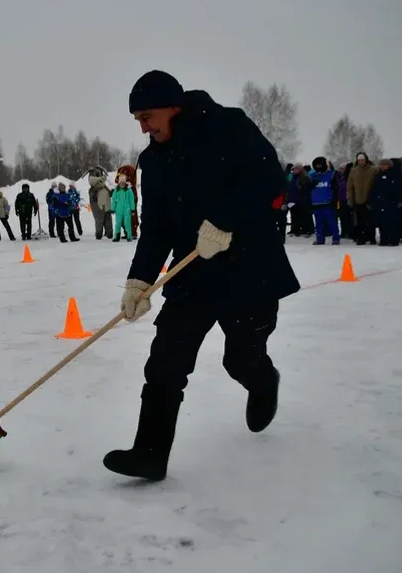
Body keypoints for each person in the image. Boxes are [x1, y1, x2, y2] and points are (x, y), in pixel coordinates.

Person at [103, 70, 300, 481]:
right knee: (165, 362)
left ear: (174, 106)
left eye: (147, 116)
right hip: (192, 272)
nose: (143, 127)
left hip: (249, 270)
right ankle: (150, 454)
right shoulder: (153, 159)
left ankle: (263, 381)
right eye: (137, 119)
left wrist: (224, 221)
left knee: (240, 359)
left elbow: (269, 179)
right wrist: (139, 281)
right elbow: (155, 227)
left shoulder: (227, 126)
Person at [87, 167, 114, 240]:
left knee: (108, 219)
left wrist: (111, 192)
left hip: (106, 205)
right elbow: (92, 196)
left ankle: (109, 233)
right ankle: (99, 234)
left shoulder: (104, 186)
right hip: (97, 207)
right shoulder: (93, 188)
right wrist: (95, 196)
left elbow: (109, 193)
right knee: (99, 220)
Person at [111, 174, 136, 242]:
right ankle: (117, 236)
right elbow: (113, 200)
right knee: (118, 223)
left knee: (127, 223)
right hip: (118, 209)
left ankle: (129, 236)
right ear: (119, 182)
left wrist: (132, 209)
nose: (122, 183)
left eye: (123, 182)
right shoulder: (116, 190)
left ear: (125, 182)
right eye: (120, 182)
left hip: (126, 209)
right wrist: (112, 208)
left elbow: (131, 200)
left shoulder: (128, 190)